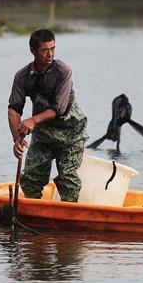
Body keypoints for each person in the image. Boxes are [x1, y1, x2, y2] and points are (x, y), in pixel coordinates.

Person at [8, 28, 88, 201]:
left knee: (68, 179)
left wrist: (32, 120)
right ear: (33, 51)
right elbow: (14, 109)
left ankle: (70, 220)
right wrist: (17, 139)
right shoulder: (22, 76)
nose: (50, 54)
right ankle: (33, 215)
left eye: (53, 49)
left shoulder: (63, 71)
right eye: (45, 50)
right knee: (30, 179)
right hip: (43, 135)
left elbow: (58, 109)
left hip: (71, 134)